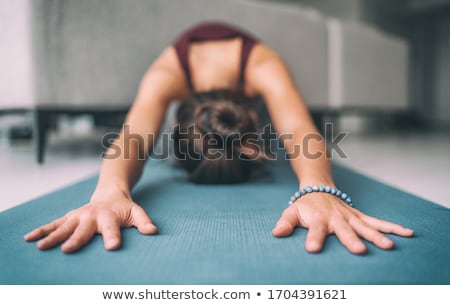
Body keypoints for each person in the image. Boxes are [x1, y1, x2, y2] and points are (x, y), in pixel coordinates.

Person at [24, 21, 414, 254]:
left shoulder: (262, 65)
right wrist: (109, 191)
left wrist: (319, 186)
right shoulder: (166, 76)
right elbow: (134, 138)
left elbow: (298, 131)